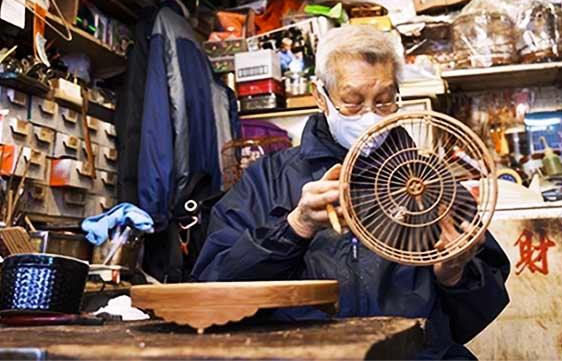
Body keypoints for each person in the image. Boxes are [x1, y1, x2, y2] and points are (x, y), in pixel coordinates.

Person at [193, 25, 510, 359]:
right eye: (353, 102)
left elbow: (478, 314)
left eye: (385, 101)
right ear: (321, 97)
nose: (370, 117)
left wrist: (455, 276)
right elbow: (212, 293)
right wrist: (295, 226)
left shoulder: (431, 180)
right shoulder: (268, 180)